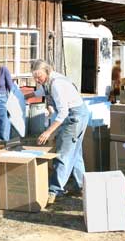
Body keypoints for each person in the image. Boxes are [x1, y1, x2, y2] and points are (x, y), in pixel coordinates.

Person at [25, 59, 90, 205]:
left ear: (47, 71)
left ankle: (54, 190)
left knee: (63, 153)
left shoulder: (57, 85)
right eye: (34, 77)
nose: (37, 79)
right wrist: (27, 96)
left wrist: (48, 132)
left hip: (74, 117)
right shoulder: (49, 80)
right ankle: (82, 186)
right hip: (77, 114)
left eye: (39, 76)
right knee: (75, 152)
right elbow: (42, 91)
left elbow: (62, 113)